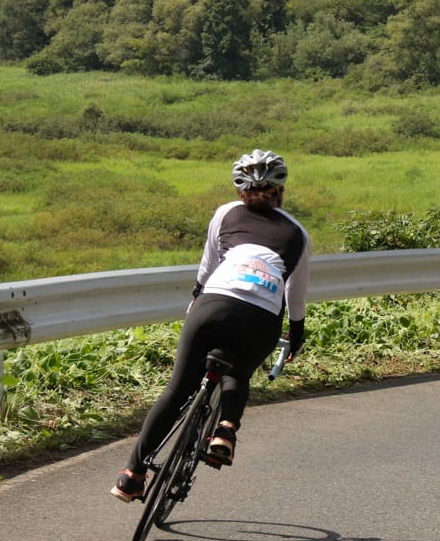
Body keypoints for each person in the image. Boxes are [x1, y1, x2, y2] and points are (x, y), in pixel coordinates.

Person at [111, 149, 311, 502]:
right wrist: (295, 334)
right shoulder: (298, 234)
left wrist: (197, 303)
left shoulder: (225, 213)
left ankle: (132, 476)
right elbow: (296, 295)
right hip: (261, 316)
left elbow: (207, 269)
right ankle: (225, 431)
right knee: (239, 372)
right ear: (280, 191)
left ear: (240, 192)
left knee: (177, 391)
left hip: (214, 302)